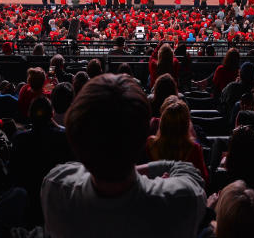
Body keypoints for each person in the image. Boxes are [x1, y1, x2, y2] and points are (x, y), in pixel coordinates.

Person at [41, 74, 206, 238]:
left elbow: (78, 166)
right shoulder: (182, 199)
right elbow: (184, 169)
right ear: (145, 139)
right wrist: (145, 175)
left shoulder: (56, 187)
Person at [146, 96, 208, 182]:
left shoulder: (150, 144)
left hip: (154, 192)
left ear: (162, 122)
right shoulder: (193, 148)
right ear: (187, 123)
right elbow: (203, 179)